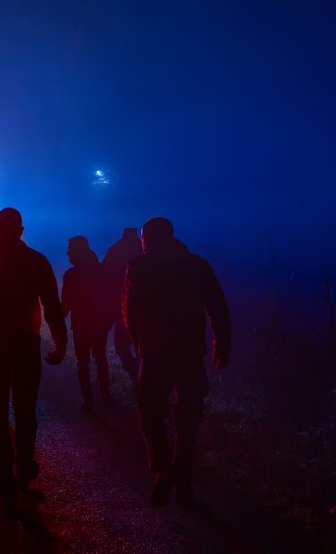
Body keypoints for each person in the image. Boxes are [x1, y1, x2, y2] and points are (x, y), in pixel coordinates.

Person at [0, 207, 68, 518]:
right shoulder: (36, 260)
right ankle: (24, 470)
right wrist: (61, 343)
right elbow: (52, 305)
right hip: (26, 343)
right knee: (25, 411)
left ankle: (5, 486)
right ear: (21, 229)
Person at [122, 217, 231, 507]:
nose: (143, 243)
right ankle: (182, 480)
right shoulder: (196, 265)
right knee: (188, 418)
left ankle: (160, 468)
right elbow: (217, 306)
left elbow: (128, 311)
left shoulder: (139, 268)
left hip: (154, 353)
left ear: (149, 239)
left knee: (150, 415)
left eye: (144, 238)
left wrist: (138, 343)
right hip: (189, 353)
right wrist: (222, 343)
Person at [61, 236, 113, 414]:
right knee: (101, 359)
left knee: (83, 363)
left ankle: (88, 401)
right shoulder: (101, 270)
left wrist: (58, 321)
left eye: (70, 248)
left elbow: (66, 304)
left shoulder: (72, 274)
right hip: (99, 322)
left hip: (81, 324)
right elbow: (110, 297)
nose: (68, 252)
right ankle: (105, 395)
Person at [103, 227, 142, 389]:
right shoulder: (144, 250)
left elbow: (104, 274)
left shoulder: (115, 250)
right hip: (139, 307)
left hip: (123, 305)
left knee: (122, 345)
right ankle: (139, 373)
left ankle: (137, 373)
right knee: (138, 345)